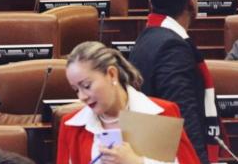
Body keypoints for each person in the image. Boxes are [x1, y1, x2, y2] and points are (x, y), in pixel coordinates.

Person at [129, 0, 220, 164]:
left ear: (150, 2)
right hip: (169, 154)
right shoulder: (172, 47)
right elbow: (184, 117)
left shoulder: (147, 37)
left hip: (151, 147)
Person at [57, 40, 200, 164]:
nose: (82, 96)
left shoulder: (159, 114)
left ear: (112, 74)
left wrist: (137, 162)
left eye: (87, 86)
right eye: (76, 90)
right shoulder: (72, 126)